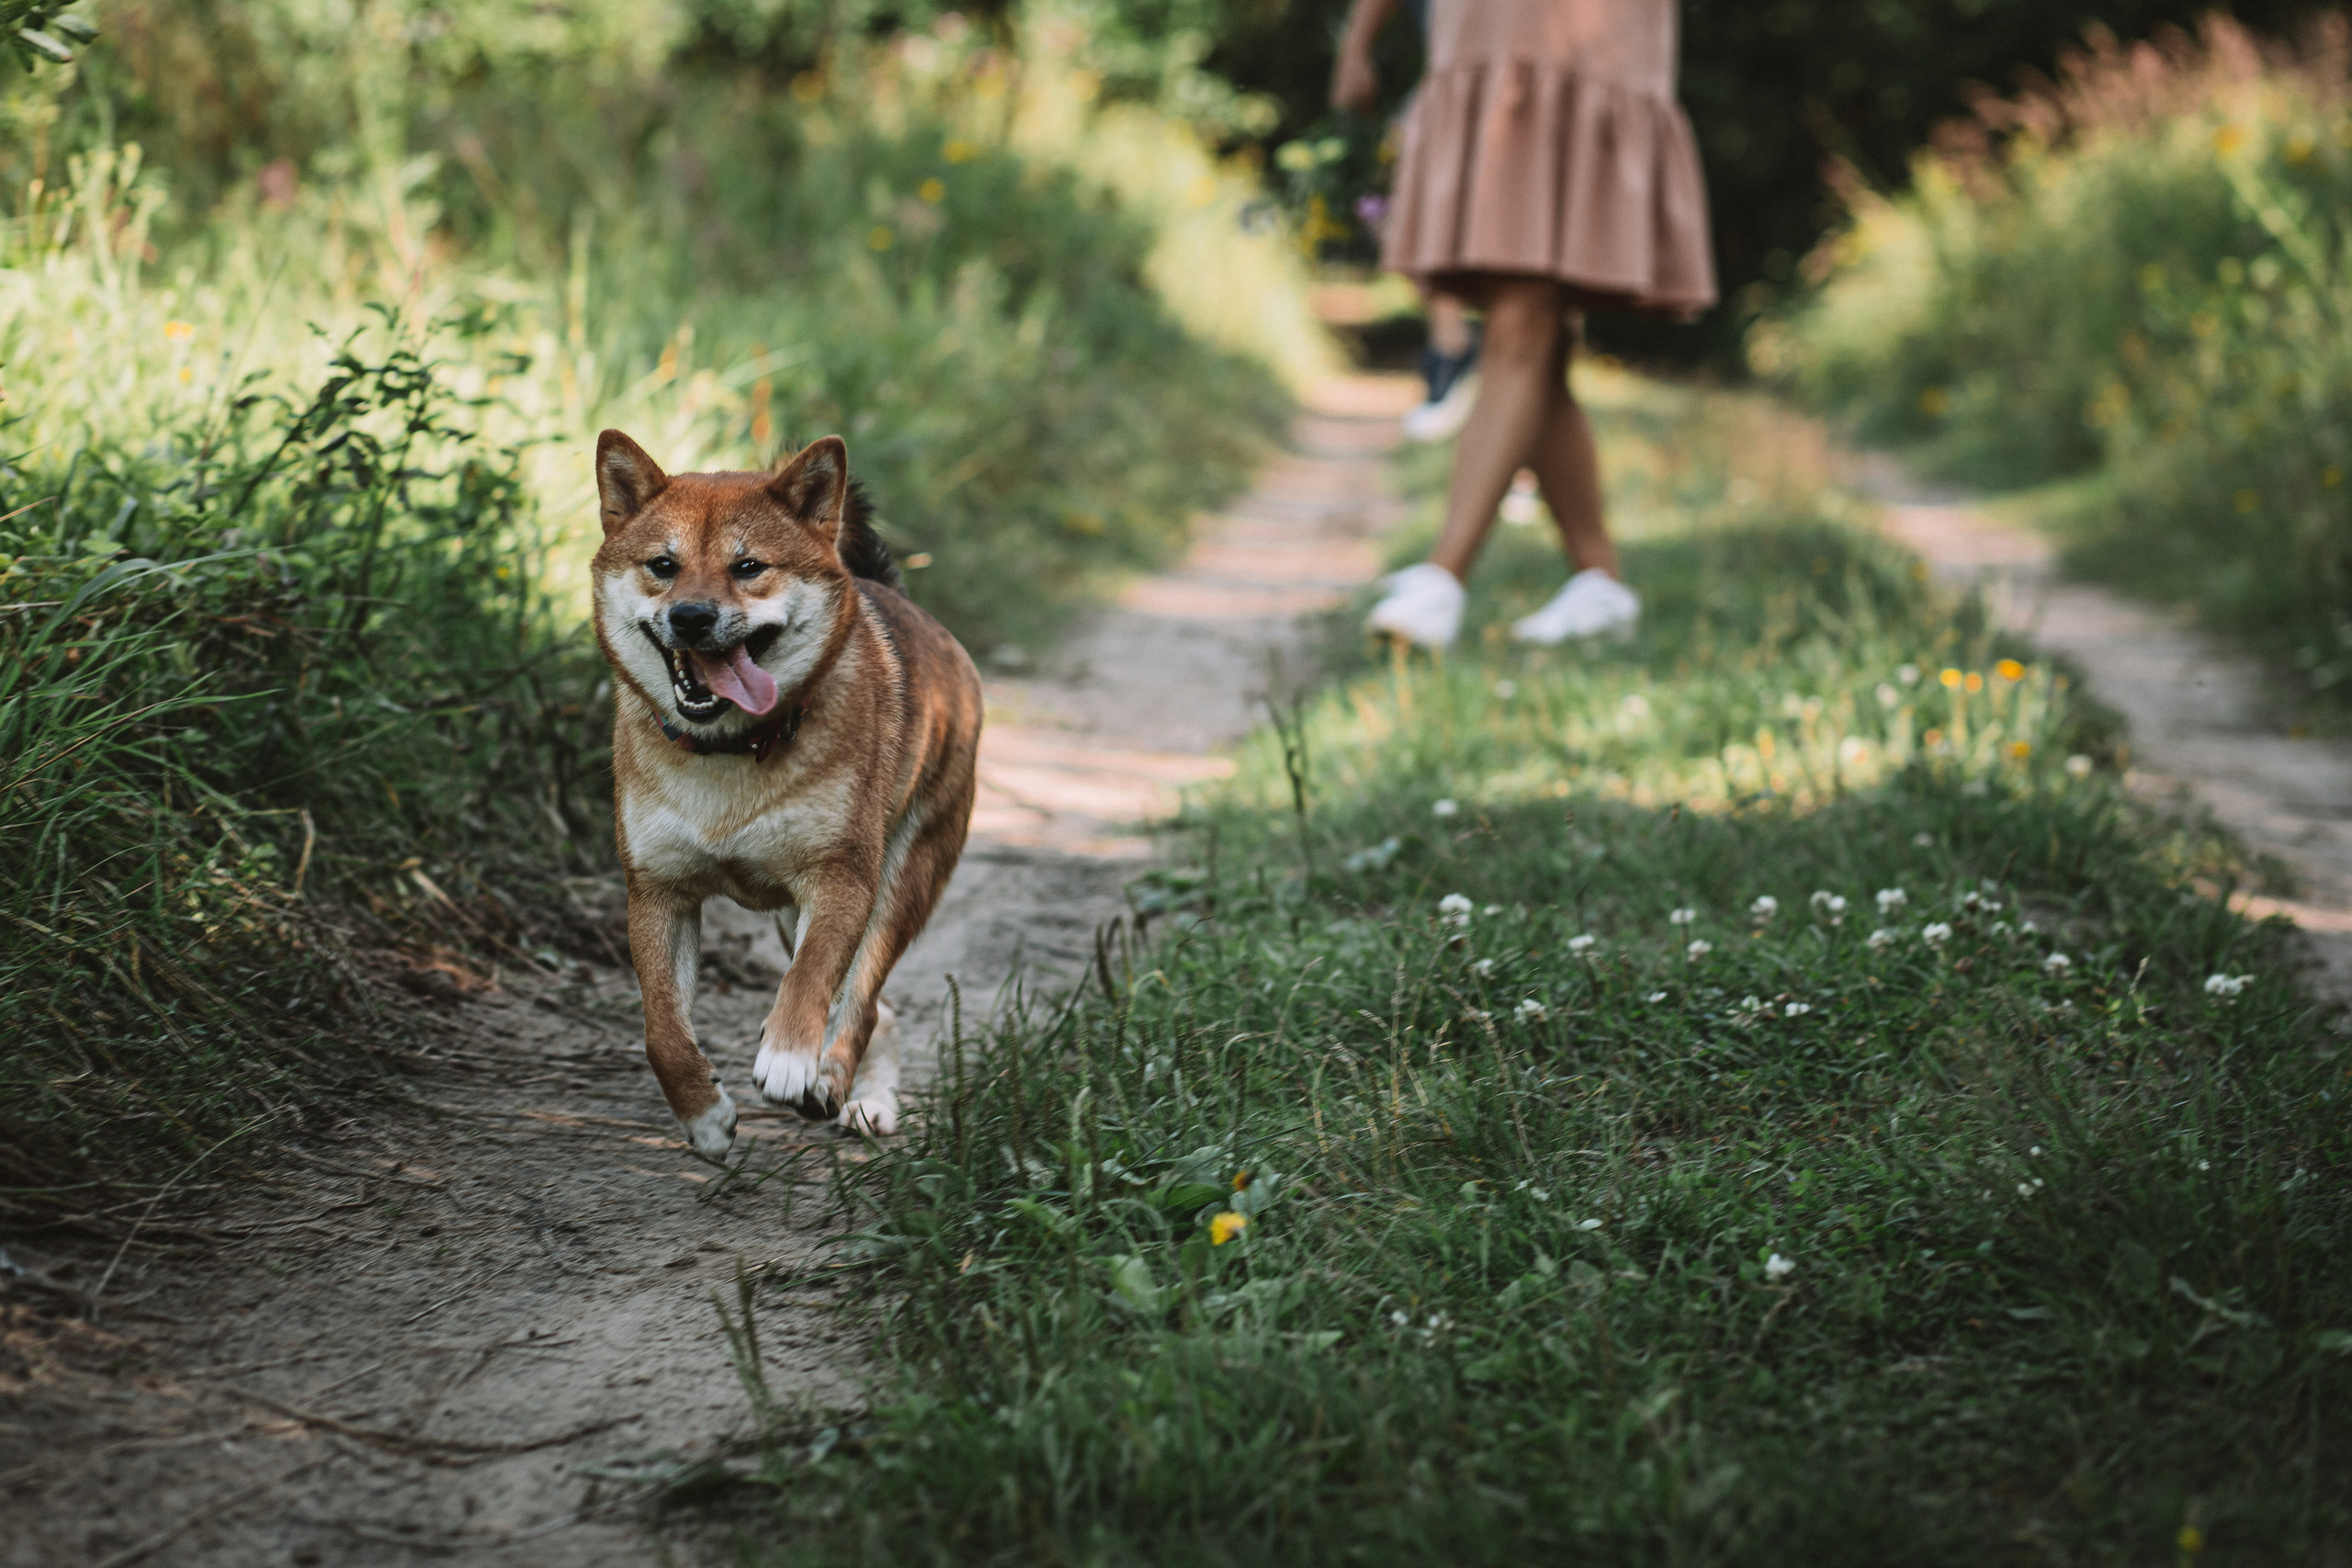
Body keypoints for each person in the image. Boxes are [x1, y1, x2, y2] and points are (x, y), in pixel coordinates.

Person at [1333, 0, 1716, 648]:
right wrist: (1358, 40)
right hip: (1486, 40)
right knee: (1543, 342)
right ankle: (1598, 581)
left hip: (1584, 44)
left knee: (1521, 321)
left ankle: (1443, 575)